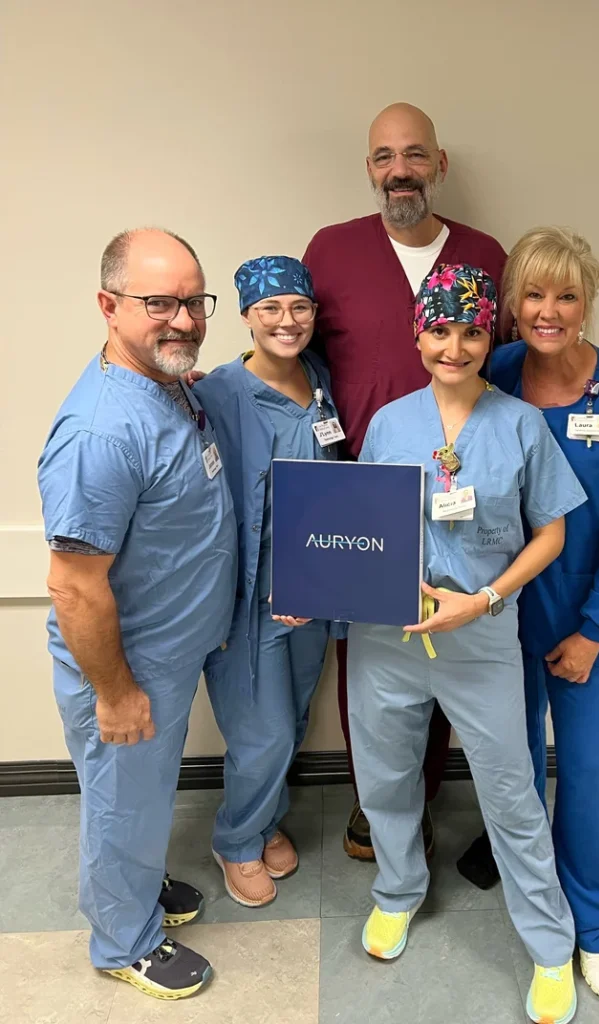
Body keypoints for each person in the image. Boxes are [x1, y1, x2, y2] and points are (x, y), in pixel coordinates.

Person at [303, 100, 599, 862]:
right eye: (383, 156)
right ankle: (391, 819)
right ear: (369, 168)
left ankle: (522, 866)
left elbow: (537, 345)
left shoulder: (488, 264)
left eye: (414, 154)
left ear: (439, 164)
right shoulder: (331, 252)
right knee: (385, 673)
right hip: (373, 500)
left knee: (487, 684)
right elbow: (295, 347)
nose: (399, 170)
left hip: (491, 527)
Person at [347, 263, 587, 1024]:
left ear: (492, 336)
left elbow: (550, 531)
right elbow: (355, 528)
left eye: (472, 330)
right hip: (386, 635)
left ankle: (550, 947)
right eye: (440, 329)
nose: (454, 345)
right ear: (419, 333)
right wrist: (310, 592)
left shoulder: (519, 424)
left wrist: (483, 597)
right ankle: (396, 891)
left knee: (510, 792)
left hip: (479, 635)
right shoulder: (389, 423)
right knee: (385, 777)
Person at [38, 228, 237, 999]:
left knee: (144, 794)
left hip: (170, 650)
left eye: (193, 301)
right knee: (123, 796)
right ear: (108, 306)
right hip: (125, 663)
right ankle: (124, 942)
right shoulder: (101, 432)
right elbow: (74, 586)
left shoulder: (169, 385)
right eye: (158, 303)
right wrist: (115, 691)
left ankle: (136, 887)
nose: (182, 320)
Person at [463, 227, 599, 1003]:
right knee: (511, 770)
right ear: (511, 305)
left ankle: (594, 926)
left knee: (582, 773)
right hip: (501, 615)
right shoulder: (494, 372)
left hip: (584, 622)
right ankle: (535, 904)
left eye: (566, 295)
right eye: (533, 294)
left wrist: (593, 632)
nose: (548, 311)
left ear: (588, 303)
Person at [192, 257, 340, 908]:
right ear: (247, 316)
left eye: (299, 307)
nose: (287, 320)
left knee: (296, 715)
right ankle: (236, 839)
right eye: (270, 309)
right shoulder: (217, 393)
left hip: (314, 587)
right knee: (264, 730)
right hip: (249, 594)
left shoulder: (321, 378)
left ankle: (265, 818)